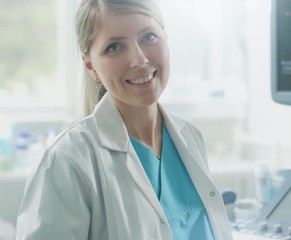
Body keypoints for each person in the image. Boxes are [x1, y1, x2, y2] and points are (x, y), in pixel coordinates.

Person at [15, 0, 233, 239]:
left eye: (149, 37)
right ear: (90, 66)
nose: (139, 59)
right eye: (115, 47)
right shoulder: (66, 161)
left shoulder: (190, 137)